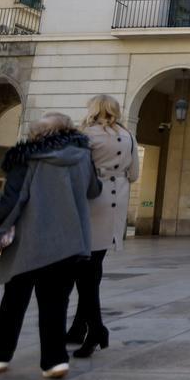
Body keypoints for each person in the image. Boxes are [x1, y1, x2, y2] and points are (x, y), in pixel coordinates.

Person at [0, 112, 99, 379]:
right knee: (56, 303)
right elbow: (94, 190)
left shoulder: (28, 158)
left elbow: (13, 201)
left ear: (37, 134)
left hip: (29, 242)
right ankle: (55, 361)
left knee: (13, 302)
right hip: (68, 242)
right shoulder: (82, 157)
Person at [67, 95, 140, 358]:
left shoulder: (85, 136)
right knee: (91, 268)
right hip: (115, 202)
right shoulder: (127, 136)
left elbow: (74, 173)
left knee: (83, 270)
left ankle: (95, 329)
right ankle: (79, 326)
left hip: (90, 202)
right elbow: (134, 175)